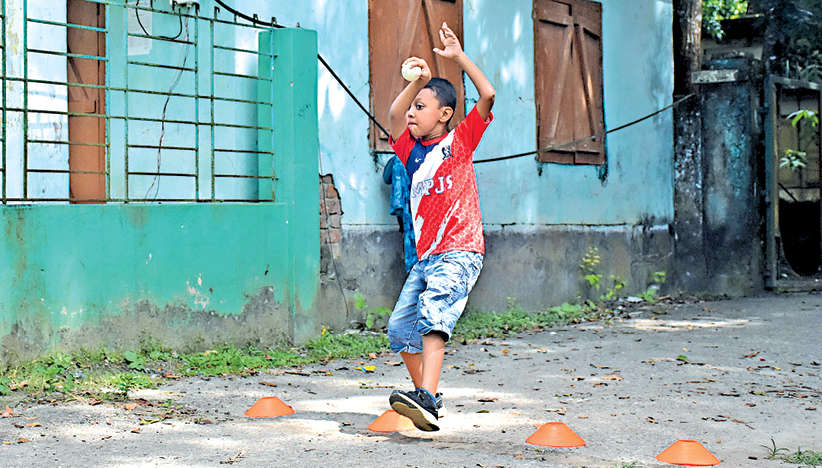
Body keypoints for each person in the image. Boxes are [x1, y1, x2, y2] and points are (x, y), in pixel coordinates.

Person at [385, 21, 495, 431]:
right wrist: (417, 83)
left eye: (421, 107)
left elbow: (488, 94)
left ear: (445, 115)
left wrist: (458, 57)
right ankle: (427, 398)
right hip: (427, 257)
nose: (412, 113)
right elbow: (393, 114)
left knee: (433, 313)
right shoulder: (411, 152)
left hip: (461, 249)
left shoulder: (460, 141)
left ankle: (427, 397)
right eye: (414, 107)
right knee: (400, 328)